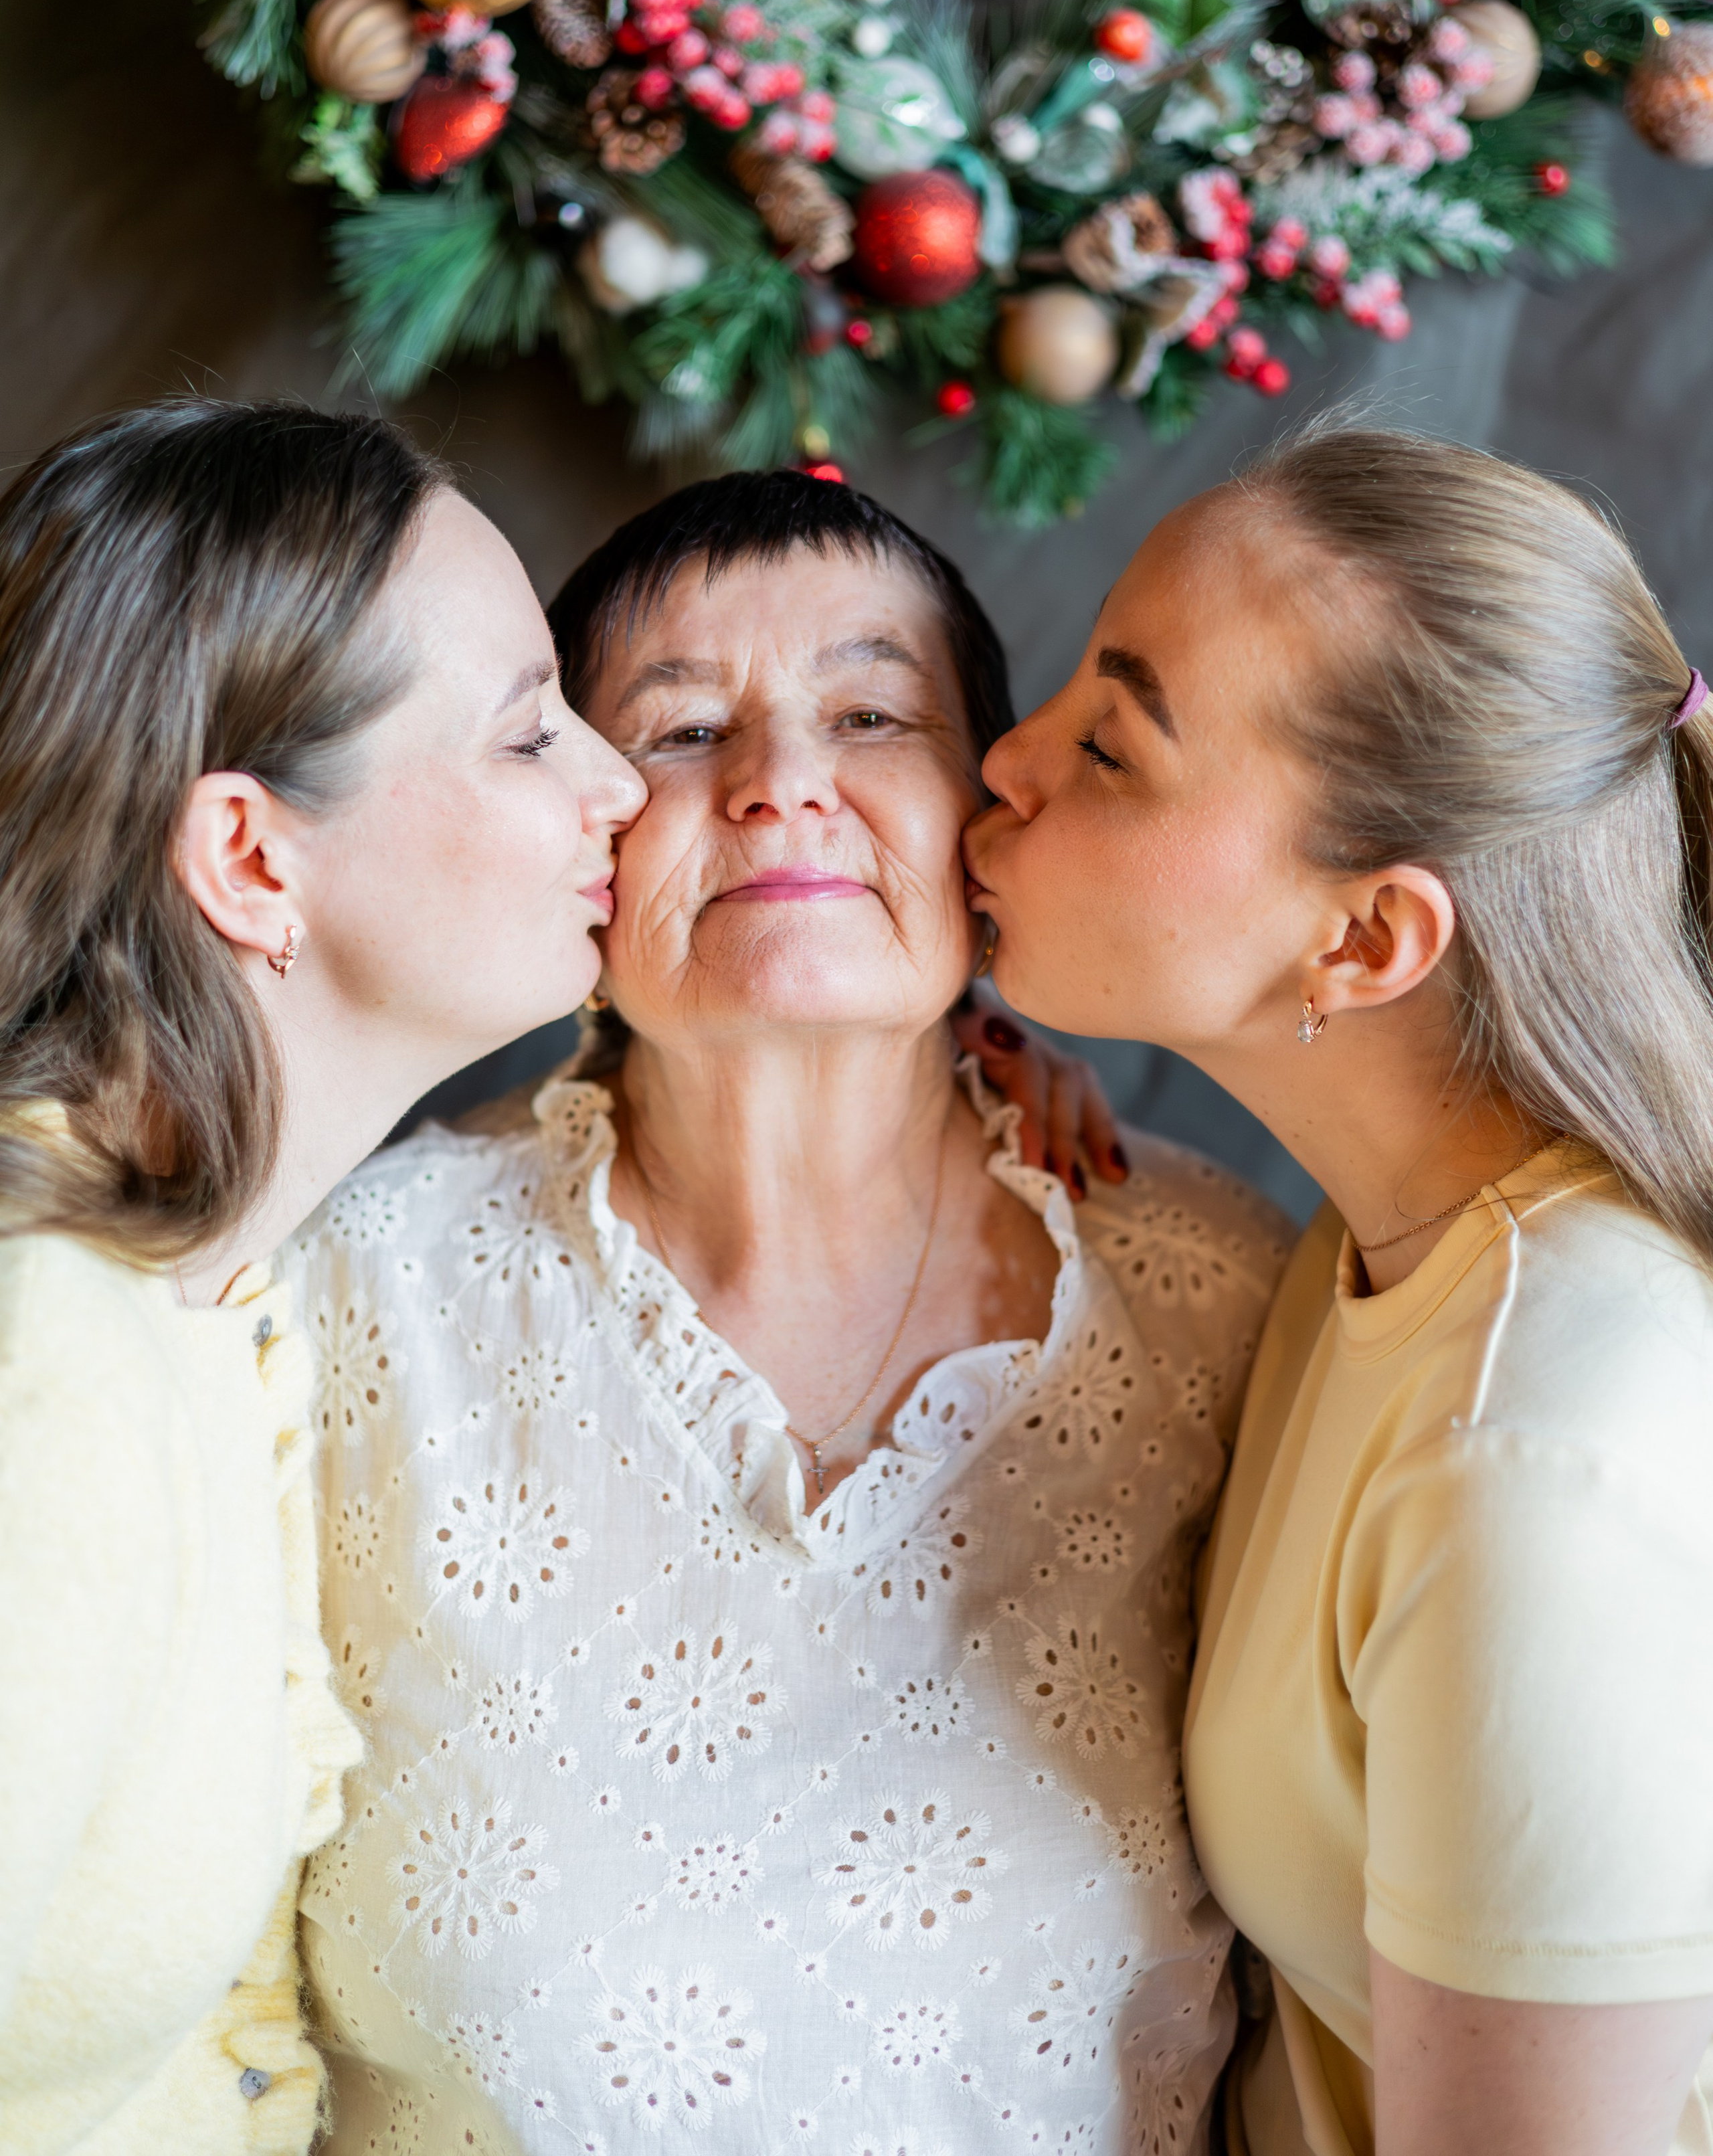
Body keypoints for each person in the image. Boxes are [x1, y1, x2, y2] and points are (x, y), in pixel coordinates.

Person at [288, 468, 1293, 2154]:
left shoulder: (1224, 1304)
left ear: (990, 814)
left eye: (870, 712)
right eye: (680, 734)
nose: (779, 787)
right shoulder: (349, 1293)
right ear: (576, 826)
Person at [964, 424, 1713, 2156]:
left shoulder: (1536, 1462)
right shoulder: (1379, 1244)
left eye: (1115, 745)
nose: (1007, 758)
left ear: (1366, 943)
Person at [0, 398, 644, 2154]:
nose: (623, 784)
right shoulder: (41, 1356)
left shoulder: (235, 1280)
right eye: (530, 737)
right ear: (253, 857)